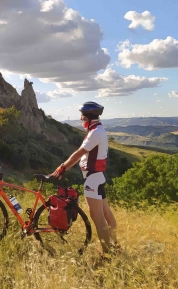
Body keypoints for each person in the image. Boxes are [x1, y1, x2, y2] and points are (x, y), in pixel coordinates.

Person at [49, 101, 118, 254]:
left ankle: (107, 253)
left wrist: (62, 168)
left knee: (97, 216)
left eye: (81, 116)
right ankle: (115, 245)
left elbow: (78, 154)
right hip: (98, 176)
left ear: (87, 117)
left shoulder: (95, 133)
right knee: (106, 213)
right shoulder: (99, 130)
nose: (80, 119)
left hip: (92, 178)